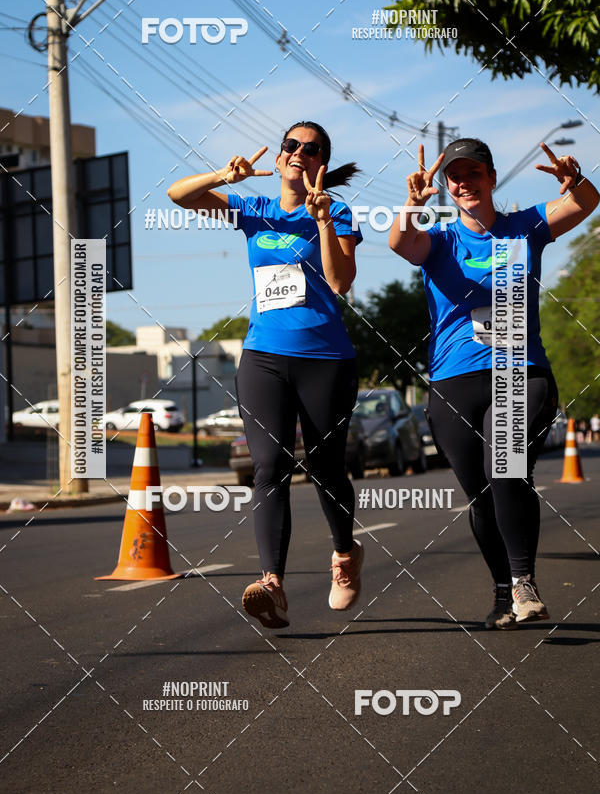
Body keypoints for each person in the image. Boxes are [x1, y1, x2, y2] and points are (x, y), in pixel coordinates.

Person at [389, 138, 599, 629]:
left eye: (473, 173)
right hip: (453, 380)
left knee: (505, 467)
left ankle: (525, 582)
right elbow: (401, 244)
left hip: (520, 371)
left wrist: (577, 179)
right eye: (454, 176)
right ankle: (505, 593)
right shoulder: (439, 240)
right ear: (448, 186)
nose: (463, 182)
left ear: (491, 177)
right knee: (482, 494)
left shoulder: (524, 226)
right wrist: (412, 204)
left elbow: (587, 203)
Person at [168, 122, 364, 628]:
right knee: (269, 466)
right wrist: (224, 176)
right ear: (279, 159)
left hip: (325, 358)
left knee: (325, 468)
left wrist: (321, 221)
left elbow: (341, 283)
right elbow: (178, 195)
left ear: (322, 163)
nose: (300, 152)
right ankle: (272, 583)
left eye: (312, 149)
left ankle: (344, 557)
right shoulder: (255, 210)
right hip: (263, 356)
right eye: (291, 146)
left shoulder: (337, 211)